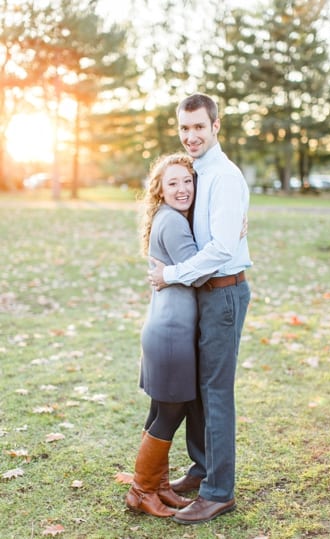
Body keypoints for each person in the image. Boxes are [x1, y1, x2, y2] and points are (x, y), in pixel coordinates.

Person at [148, 93, 252, 525]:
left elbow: (222, 248)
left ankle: (218, 491)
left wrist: (170, 275)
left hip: (223, 292)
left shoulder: (224, 176)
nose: (191, 136)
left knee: (215, 392)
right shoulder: (198, 173)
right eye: (184, 128)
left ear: (215, 127)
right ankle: (203, 466)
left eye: (199, 128)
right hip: (204, 293)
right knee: (200, 392)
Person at [126, 153, 203, 517]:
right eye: (172, 183)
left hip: (163, 330)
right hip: (172, 334)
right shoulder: (173, 222)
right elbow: (200, 273)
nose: (182, 188)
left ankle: (158, 486)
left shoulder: (165, 217)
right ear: (159, 189)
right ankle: (142, 490)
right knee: (170, 412)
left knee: (162, 409)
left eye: (187, 181)